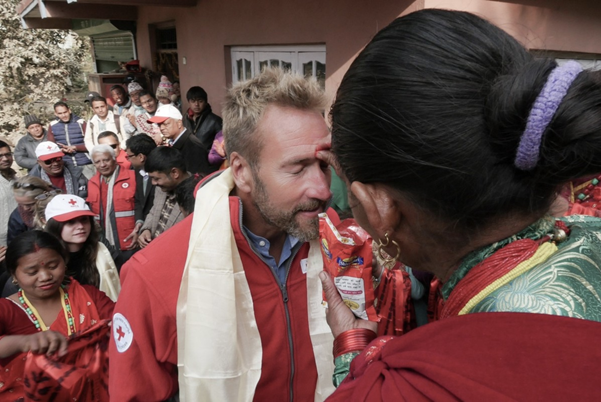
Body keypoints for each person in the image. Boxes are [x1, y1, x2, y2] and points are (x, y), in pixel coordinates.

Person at [317, 9, 601, 399]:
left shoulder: (413, 386)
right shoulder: (589, 233)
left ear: (383, 209)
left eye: (349, 191)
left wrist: (352, 350)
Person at [110, 68, 335, 401]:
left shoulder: (341, 246)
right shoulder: (155, 273)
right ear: (242, 171)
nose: (323, 189)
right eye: (298, 167)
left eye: (325, 165)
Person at [0, 230, 114, 399]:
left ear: (65, 262)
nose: (46, 276)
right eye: (32, 272)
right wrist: (23, 341)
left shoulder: (90, 296)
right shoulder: (5, 309)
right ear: (14, 275)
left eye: (53, 266)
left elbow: (123, 325)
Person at [44, 194, 121, 301]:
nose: (80, 226)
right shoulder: (43, 257)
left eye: (84, 220)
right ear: (54, 226)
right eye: (70, 222)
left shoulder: (104, 252)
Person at [86, 144, 137, 259]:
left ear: (114, 159)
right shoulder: (92, 183)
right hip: (104, 243)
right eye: (97, 162)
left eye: (106, 160)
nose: (102, 165)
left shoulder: (132, 177)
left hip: (130, 240)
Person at [136, 147, 188, 248]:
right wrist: (146, 229)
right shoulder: (161, 189)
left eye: (156, 179)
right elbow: (154, 210)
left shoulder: (196, 195)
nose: (153, 183)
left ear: (175, 173)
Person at [148, 104, 212, 174]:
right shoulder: (176, 142)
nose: (161, 128)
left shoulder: (193, 146)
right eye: (159, 125)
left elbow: (197, 178)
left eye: (165, 124)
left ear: (179, 123)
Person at [46, 101, 94, 178]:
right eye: (60, 113)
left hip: (85, 162)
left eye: (65, 112)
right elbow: (51, 146)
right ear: (56, 114)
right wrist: (61, 150)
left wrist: (75, 147)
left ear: (69, 110)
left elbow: (91, 143)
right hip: (66, 163)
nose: (64, 115)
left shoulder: (81, 123)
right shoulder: (53, 125)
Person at [8, 177, 56, 244]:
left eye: (31, 204)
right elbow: (14, 244)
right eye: (20, 204)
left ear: (44, 196)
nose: (25, 209)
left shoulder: (61, 206)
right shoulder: (17, 217)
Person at [183, 85, 223, 165]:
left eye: (200, 101)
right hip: (189, 161)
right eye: (193, 101)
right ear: (189, 102)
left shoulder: (215, 121)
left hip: (207, 163)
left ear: (205, 102)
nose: (196, 104)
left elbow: (221, 143)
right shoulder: (185, 119)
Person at [125, 134, 157, 231]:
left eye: (129, 156)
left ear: (141, 157)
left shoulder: (160, 174)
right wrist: (139, 221)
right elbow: (138, 200)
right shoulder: (138, 172)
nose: (128, 160)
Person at [0, 141, 18, 248]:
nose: (5, 159)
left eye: (7, 154)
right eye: (0, 156)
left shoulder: (16, 180)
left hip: (17, 236)